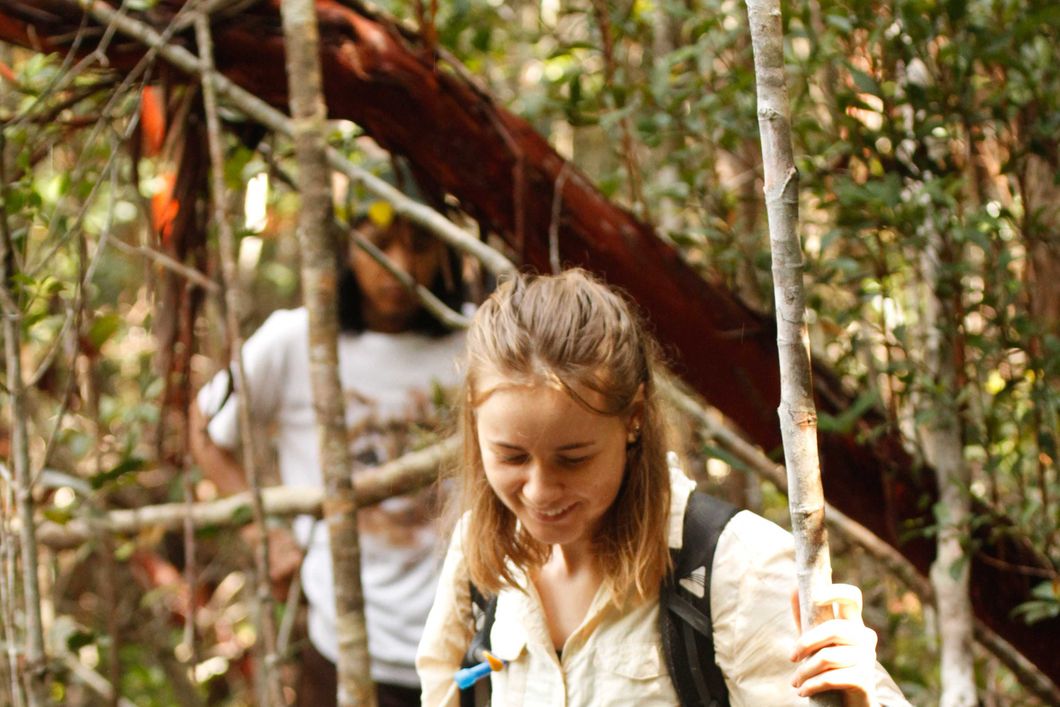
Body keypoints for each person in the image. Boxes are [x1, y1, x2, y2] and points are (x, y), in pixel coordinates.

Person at [416, 269, 910, 706]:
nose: (541, 491)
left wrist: (855, 700)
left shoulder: (737, 567)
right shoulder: (480, 556)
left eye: (574, 458)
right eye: (512, 457)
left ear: (633, 418)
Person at [190, 180, 467, 707]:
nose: (400, 264)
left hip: (465, 650)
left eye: (420, 245)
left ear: (445, 252)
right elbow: (205, 430)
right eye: (378, 243)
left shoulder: (474, 339)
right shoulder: (295, 341)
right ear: (345, 246)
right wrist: (267, 536)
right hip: (341, 649)